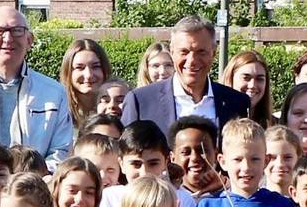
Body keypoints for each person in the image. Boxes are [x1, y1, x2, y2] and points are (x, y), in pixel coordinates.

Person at [0, 6, 75, 160]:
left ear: (29, 40)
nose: (8, 38)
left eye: (17, 30)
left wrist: (35, 179)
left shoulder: (55, 94)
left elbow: (61, 152)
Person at [120, 17, 251, 129]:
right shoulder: (141, 102)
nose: (192, 61)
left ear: (214, 53)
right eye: (184, 52)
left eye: (201, 52)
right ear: (172, 52)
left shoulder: (237, 103)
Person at [59, 38, 112, 122]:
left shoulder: (118, 109)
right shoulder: (58, 110)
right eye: (79, 68)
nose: (89, 75)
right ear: (68, 72)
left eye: (95, 67)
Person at [220, 47, 274, 125]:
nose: (252, 85)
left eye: (259, 79)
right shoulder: (214, 122)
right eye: (246, 78)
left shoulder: (275, 127)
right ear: (230, 78)